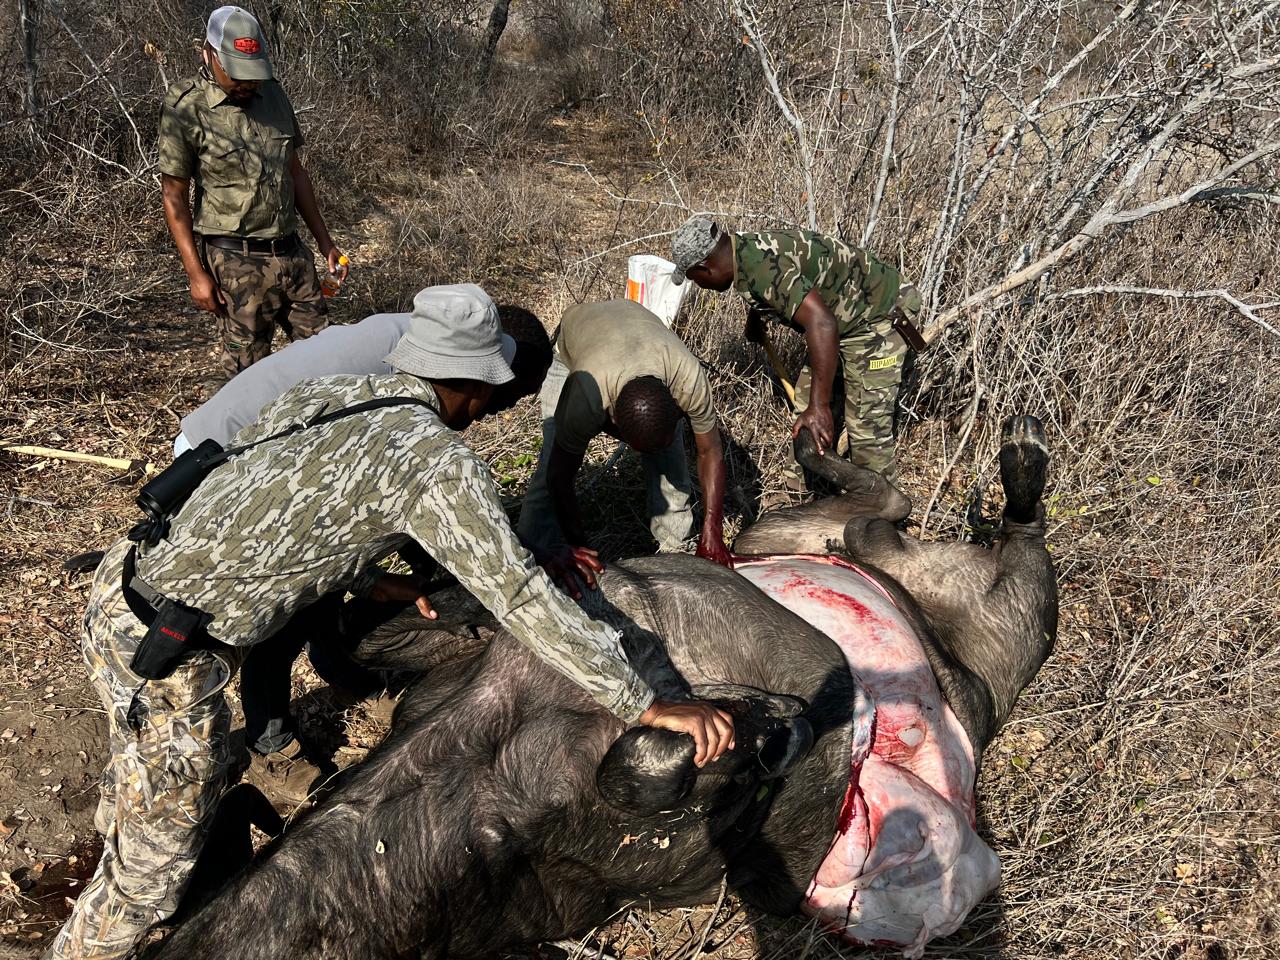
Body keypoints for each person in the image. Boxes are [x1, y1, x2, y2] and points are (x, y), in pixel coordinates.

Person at [45, 289, 734, 960]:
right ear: (474, 383)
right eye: (492, 388)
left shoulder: (339, 395)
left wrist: (369, 577)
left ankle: (121, 832)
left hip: (123, 586)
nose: (490, 405)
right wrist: (644, 701)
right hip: (170, 655)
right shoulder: (435, 463)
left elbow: (279, 511)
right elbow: (523, 599)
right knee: (148, 881)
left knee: (144, 783)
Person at [172, 285, 555, 804]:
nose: (497, 410)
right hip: (225, 454)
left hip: (276, 452)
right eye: (507, 394)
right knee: (280, 610)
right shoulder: (398, 371)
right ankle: (270, 745)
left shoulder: (429, 346)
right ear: (487, 368)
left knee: (327, 576)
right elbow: (322, 513)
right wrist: (378, 576)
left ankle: (340, 668)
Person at [158, 6, 346, 384]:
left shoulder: (273, 95)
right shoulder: (186, 105)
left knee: (328, 361)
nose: (247, 84)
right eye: (237, 74)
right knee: (248, 378)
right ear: (209, 54)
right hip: (235, 260)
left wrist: (325, 242)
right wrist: (196, 274)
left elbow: (295, 172)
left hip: (292, 253)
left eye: (253, 74)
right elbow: (173, 195)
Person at [670, 217, 924, 482]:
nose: (699, 285)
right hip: (843, 320)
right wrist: (756, 318)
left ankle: (880, 503)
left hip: (880, 316)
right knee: (805, 409)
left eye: (694, 278)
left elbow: (822, 323)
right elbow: (779, 286)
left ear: (705, 267)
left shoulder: (761, 268)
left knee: (865, 427)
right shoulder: (742, 250)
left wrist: (820, 406)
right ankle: (795, 491)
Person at [516, 299, 733, 583]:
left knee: (669, 458)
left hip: (639, 336)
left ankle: (676, 546)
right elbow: (560, 478)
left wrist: (712, 530)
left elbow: (710, 450)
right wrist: (585, 554)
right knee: (551, 464)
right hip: (573, 349)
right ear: (611, 423)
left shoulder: (688, 380)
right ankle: (529, 558)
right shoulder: (585, 397)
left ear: (675, 405)